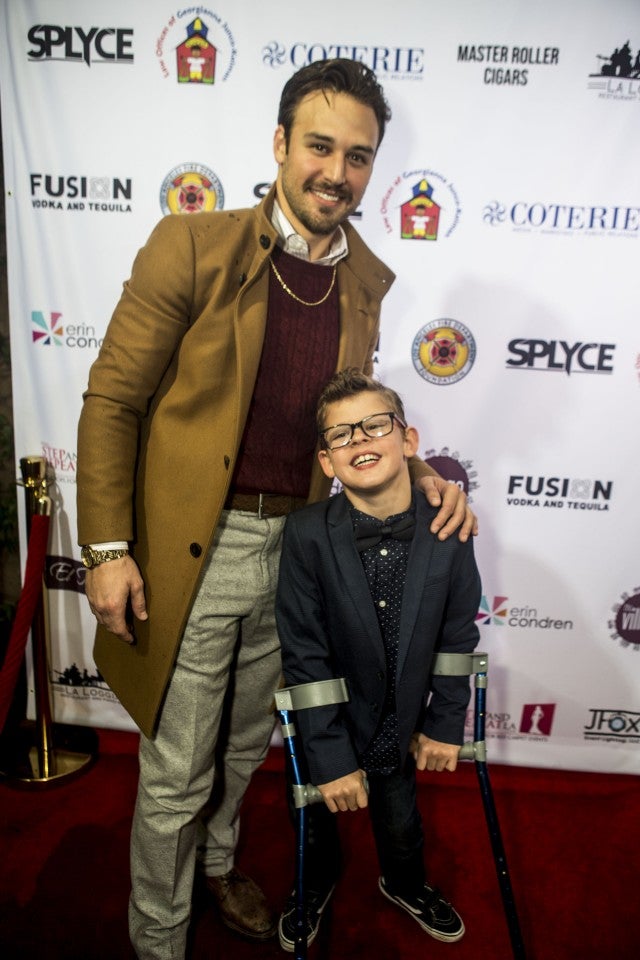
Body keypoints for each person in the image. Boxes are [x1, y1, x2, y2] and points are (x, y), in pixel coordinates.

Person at [76, 58, 475, 960]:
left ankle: (218, 868)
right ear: (280, 145)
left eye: (358, 156)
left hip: (299, 552)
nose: (337, 172)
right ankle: (158, 938)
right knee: (178, 767)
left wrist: (426, 474)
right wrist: (105, 547)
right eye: (319, 147)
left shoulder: (364, 279)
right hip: (194, 551)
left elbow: (349, 417)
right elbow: (113, 402)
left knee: (244, 747)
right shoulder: (192, 246)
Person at [276, 369, 481, 951]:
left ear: (408, 440)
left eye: (374, 426)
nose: (360, 440)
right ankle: (312, 884)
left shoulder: (449, 527)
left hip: (401, 721)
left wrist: (445, 725)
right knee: (313, 825)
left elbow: (457, 637)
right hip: (326, 723)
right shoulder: (305, 534)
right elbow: (304, 652)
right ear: (326, 461)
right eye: (341, 435)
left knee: (401, 823)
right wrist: (329, 755)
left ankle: (406, 883)